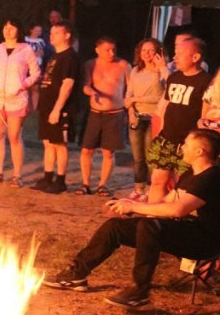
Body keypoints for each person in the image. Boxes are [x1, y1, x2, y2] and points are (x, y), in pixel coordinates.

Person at [43, 128, 220, 309]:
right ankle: (76, 274)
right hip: (182, 230)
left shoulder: (212, 177)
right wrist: (135, 202)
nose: (181, 147)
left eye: (187, 144)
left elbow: (178, 209)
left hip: (204, 240)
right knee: (115, 226)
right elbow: (170, 200)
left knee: (149, 225)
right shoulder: (191, 173)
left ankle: (139, 292)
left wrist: (135, 207)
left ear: (199, 152)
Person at [147, 35, 210, 202]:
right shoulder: (174, 77)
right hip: (167, 140)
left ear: (195, 57)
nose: (175, 57)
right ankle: (152, 218)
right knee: (157, 181)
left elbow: (205, 114)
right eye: (175, 53)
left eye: (180, 53)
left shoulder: (206, 82)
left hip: (188, 144)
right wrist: (160, 130)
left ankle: (178, 221)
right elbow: (167, 106)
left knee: (185, 187)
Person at [0, 19, 41, 186]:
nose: (8, 30)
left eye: (12, 27)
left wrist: (22, 85)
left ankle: (17, 175)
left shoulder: (26, 50)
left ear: (18, 30)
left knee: (14, 136)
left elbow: (36, 73)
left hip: (16, 99)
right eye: (5, 27)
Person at [75, 37, 131, 197]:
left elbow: (130, 89)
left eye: (114, 49)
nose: (111, 53)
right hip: (94, 113)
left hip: (115, 114)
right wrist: (91, 91)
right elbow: (86, 84)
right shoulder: (90, 65)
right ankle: (85, 183)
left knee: (108, 152)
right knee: (87, 149)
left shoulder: (123, 65)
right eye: (107, 50)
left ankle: (103, 185)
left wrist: (129, 111)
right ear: (98, 50)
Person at [32, 21, 80, 194]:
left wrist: (57, 109)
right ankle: (47, 177)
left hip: (59, 108)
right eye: (51, 33)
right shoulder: (54, 55)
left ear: (67, 35)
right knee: (48, 143)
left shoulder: (69, 57)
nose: (52, 36)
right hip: (46, 105)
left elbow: (67, 85)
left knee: (59, 143)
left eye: (57, 33)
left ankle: (60, 180)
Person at [125, 38, 169, 200]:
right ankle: (139, 189)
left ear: (158, 52)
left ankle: (152, 190)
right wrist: (130, 112)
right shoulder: (136, 70)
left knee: (151, 157)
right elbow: (128, 96)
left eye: (151, 50)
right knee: (138, 157)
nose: (146, 54)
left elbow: (159, 96)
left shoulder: (162, 72)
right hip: (137, 117)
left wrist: (136, 100)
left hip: (153, 118)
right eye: (144, 50)